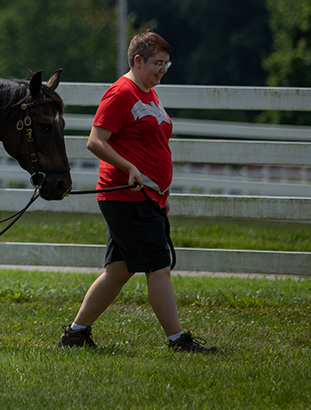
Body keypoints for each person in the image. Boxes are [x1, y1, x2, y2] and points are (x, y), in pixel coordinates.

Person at [59, 31, 218, 354]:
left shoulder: (149, 93)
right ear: (138, 61)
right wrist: (130, 168)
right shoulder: (122, 93)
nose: (162, 70)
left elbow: (152, 146)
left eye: (166, 64)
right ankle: (177, 340)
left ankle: (76, 334)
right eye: (157, 64)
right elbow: (95, 140)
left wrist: (163, 192)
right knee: (158, 266)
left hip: (147, 197)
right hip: (126, 196)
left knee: (118, 270)